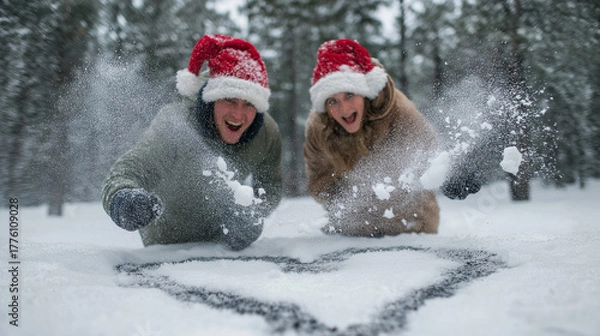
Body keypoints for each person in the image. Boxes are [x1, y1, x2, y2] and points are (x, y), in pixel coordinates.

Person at [102, 34, 282, 250]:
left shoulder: (267, 132)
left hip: (224, 253)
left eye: (249, 104)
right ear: (212, 99)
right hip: (167, 253)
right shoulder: (175, 123)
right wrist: (124, 200)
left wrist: (253, 213)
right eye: (229, 100)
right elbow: (130, 170)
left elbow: (271, 186)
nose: (238, 114)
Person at [303, 38, 447, 237]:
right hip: (353, 231)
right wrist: (349, 204)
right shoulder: (319, 128)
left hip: (411, 227)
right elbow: (319, 181)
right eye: (333, 101)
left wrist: (452, 176)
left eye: (349, 95)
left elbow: (432, 153)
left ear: (365, 93)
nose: (344, 109)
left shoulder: (399, 111)